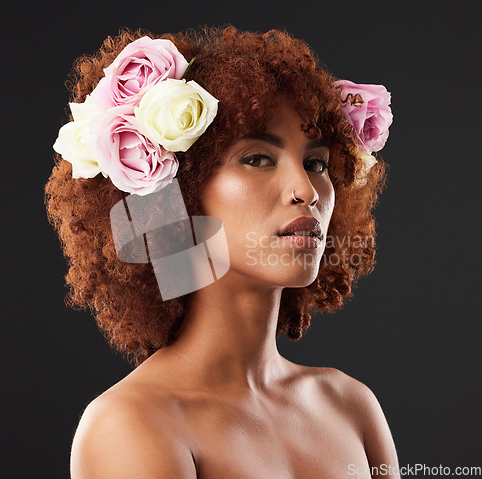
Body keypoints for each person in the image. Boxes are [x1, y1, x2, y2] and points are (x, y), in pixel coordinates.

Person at [44, 25, 398, 478]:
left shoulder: (351, 406)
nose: (306, 190)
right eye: (257, 158)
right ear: (176, 196)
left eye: (317, 163)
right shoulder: (132, 425)